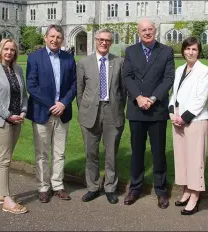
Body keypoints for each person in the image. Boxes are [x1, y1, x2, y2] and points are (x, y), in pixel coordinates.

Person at [123, 18, 175, 209]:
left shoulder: (166, 51)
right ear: (139, 32)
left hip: (157, 109)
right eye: (143, 30)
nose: (147, 32)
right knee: (137, 152)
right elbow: (127, 77)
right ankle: (135, 188)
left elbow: (168, 78)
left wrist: (152, 98)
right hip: (137, 108)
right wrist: (138, 97)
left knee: (158, 152)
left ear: (156, 30)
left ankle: (161, 191)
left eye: (150, 29)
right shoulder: (131, 51)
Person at [26, 24, 77, 203]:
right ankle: (43, 187)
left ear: (62, 40)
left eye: (58, 37)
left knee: (60, 152)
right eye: (52, 36)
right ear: (45, 38)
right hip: (42, 112)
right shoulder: (34, 58)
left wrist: (63, 103)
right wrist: (51, 105)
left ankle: (57, 185)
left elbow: (74, 84)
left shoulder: (68, 58)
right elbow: (31, 86)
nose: (55, 40)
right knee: (42, 153)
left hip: (63, 112)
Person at [77, 29, 126, 204]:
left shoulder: (119, 61)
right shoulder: (84, 62)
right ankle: (93, 187)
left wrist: (119, 108)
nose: (104, 43)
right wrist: (84, 110)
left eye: (107, 40)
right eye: (101, 40)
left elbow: (123, 90)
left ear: (111, 42)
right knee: (91, 152)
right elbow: (79, 91)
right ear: (96, 40)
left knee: (111, 152)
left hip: (112, 112)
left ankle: (110, 187)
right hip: (90, 112)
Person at [0, 38, 28, 214]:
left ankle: (0, 194)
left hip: (17, 120)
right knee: (4, 159)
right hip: (0, 121)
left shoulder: (17, 69)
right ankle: (7, 200)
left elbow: (23, 94)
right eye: (6, 49)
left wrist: (23, 111)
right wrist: (8, 115)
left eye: (13, 50)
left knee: (5, 157)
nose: (9, 53)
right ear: (0, 50)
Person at [168, 37, 208, 215]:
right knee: (182, 158)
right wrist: (172, 112)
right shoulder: (180, 69)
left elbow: (200, 99)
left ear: (198, 51)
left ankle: (195, 195)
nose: (190, 52)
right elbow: (174, 94)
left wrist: (184, 118)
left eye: (194, 49)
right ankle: (187, 190)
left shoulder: (204, 70)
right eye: (187, 49)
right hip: (177, 120)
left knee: (195, 160)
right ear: (183, 50)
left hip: (195, 120)